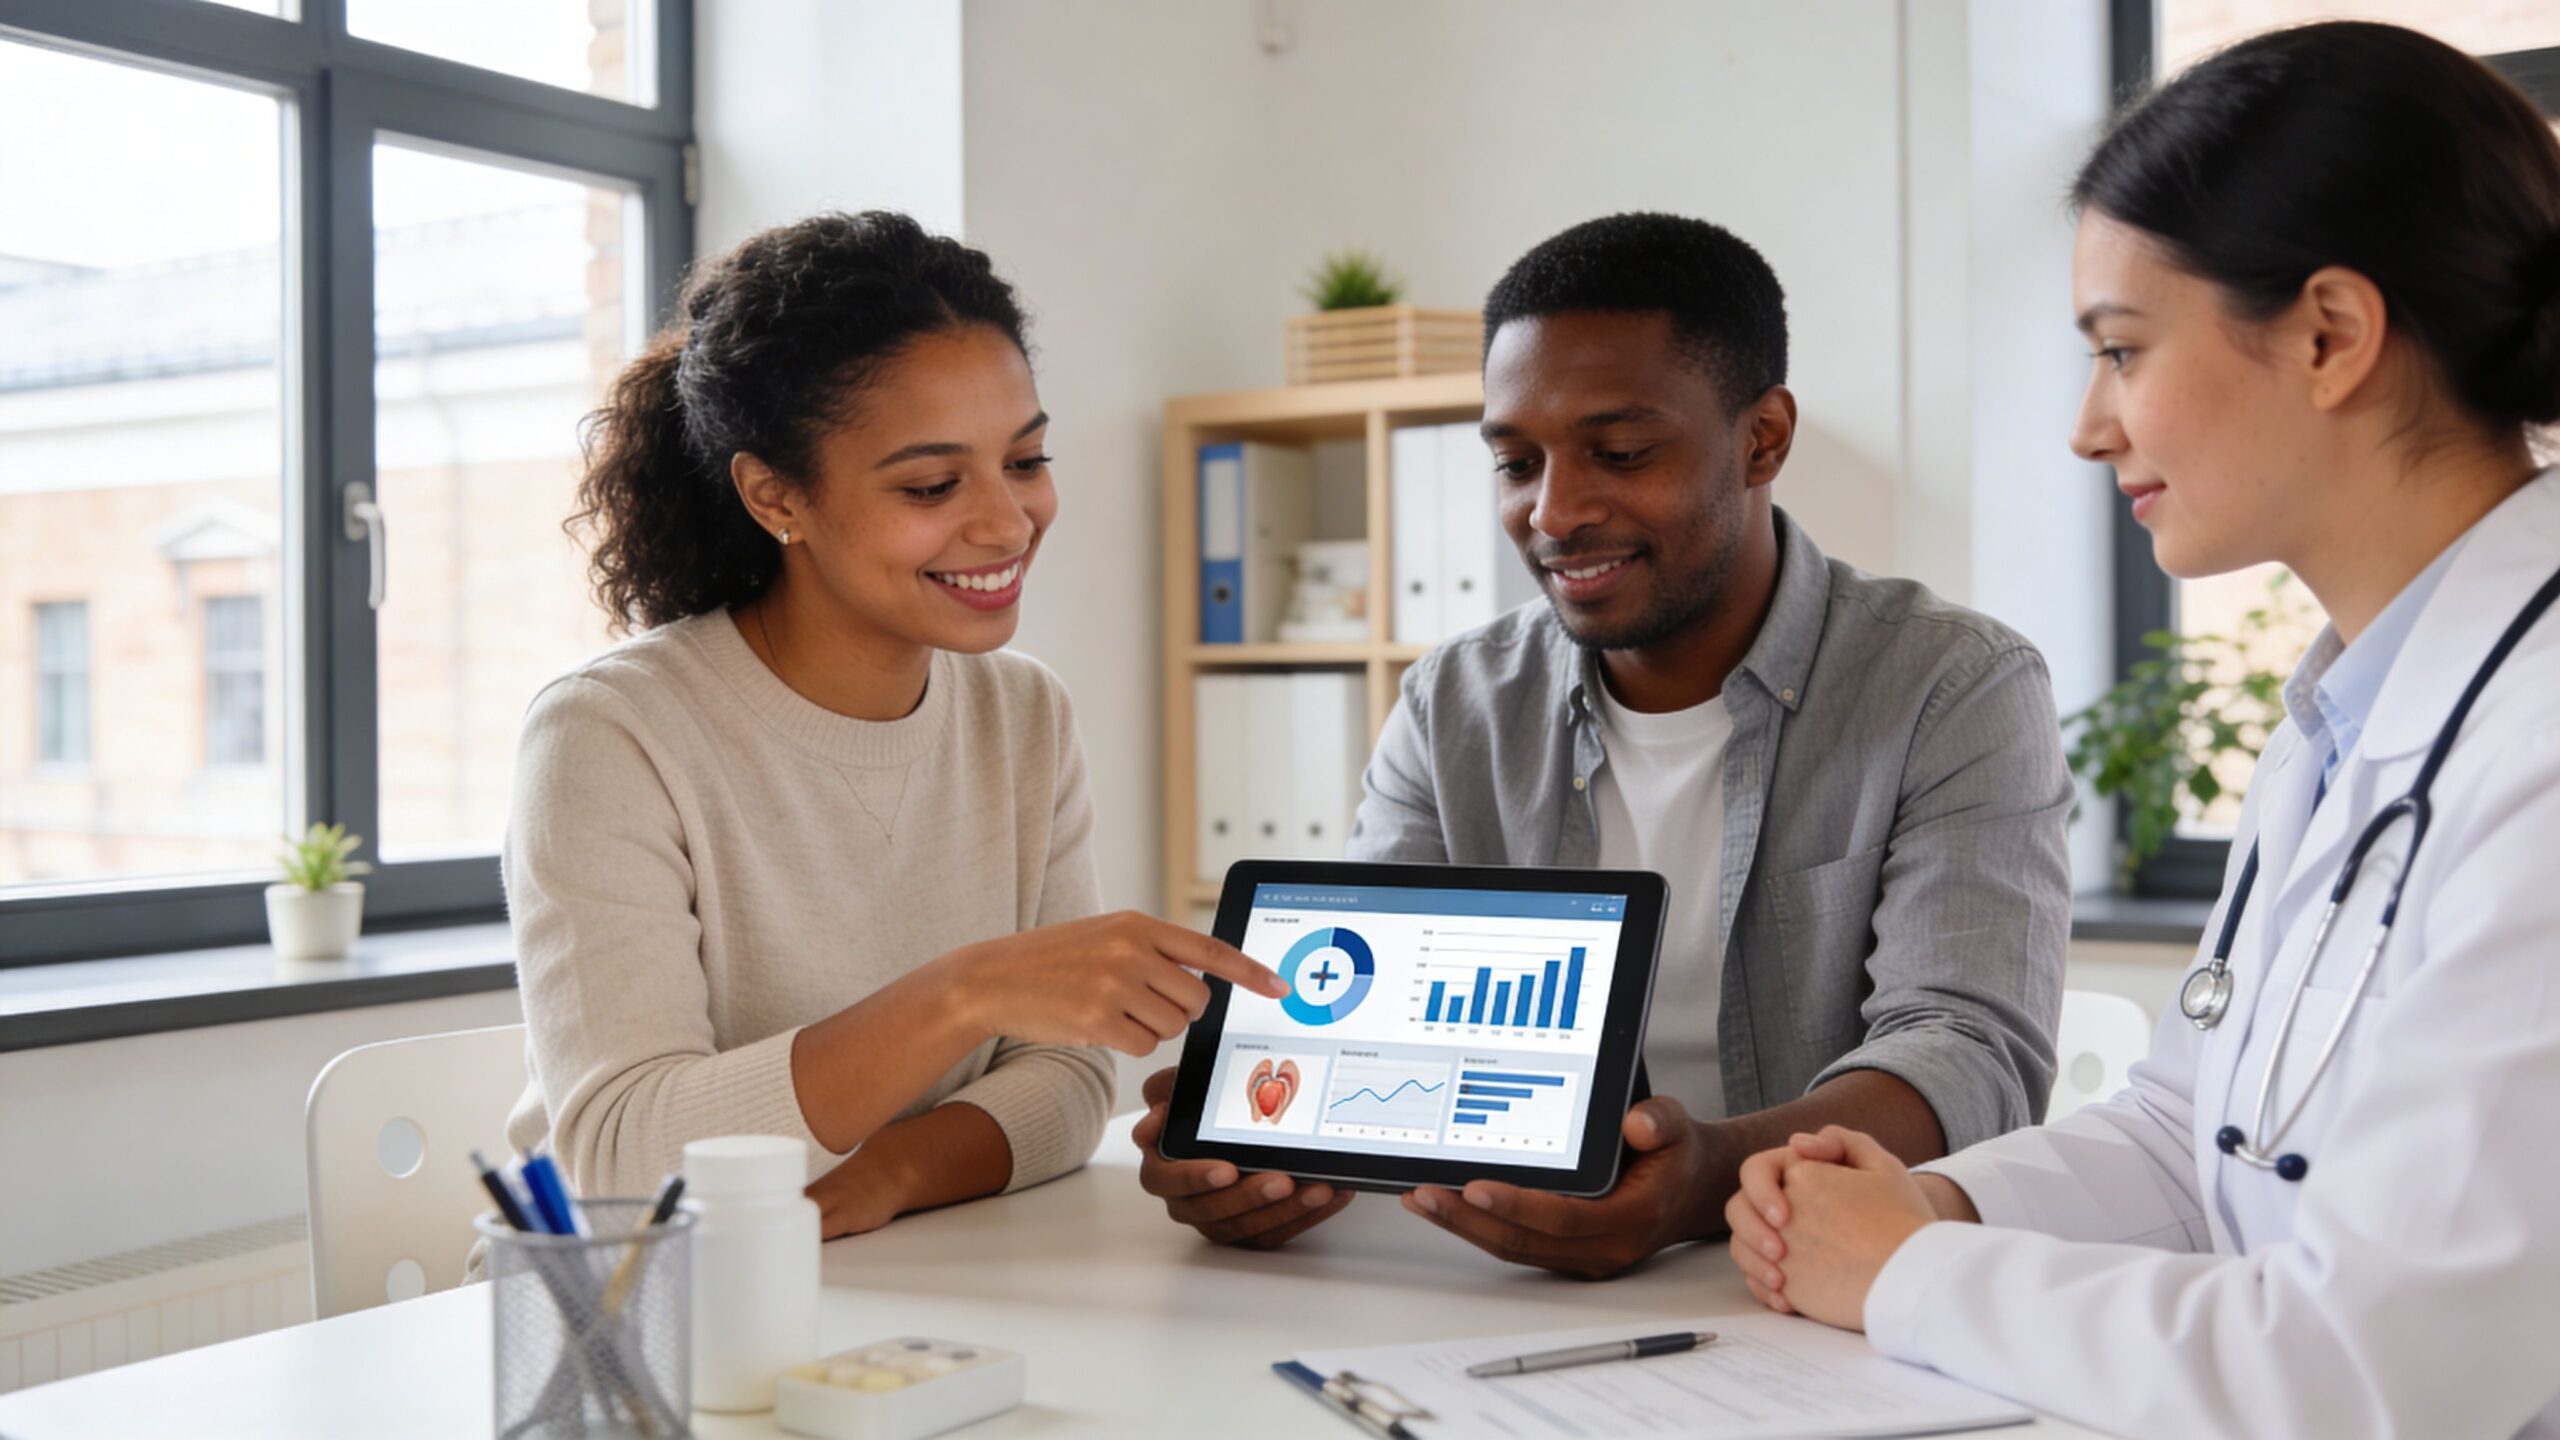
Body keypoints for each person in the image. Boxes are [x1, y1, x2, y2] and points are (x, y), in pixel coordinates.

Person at [1724, 22, 2560, 1437]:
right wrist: (1932, 1199)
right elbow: (2194, 1136)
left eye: (2120, 350)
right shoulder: (2346, 720)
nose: (2087, 428)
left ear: (2329, 334)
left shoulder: (2536, 748)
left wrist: (1913, 1273)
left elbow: (2371, 1369)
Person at [1135, 213, 2076, 1276]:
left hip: (1814, 1283)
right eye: (1514, 462)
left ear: (1762, 438)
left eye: (1620, 454)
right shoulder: (1457, 701)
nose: (1555, 511)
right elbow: (1364, 1006)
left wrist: (1703, 1179)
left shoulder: (1953, 687)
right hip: (1500, 1279)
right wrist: (1264, 1145)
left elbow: (1968, 1052)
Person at [501, 211, 1285, 1240]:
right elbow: (620, 1151)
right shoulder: (609, 736)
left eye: (1026, 460)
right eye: (931, 485)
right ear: (776, 496)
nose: (1006, 523)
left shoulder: (1022, 714)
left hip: (892, 1270)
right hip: (639, 1312)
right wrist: (965, 997)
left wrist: (887, 1177)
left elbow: (1064, 1080)